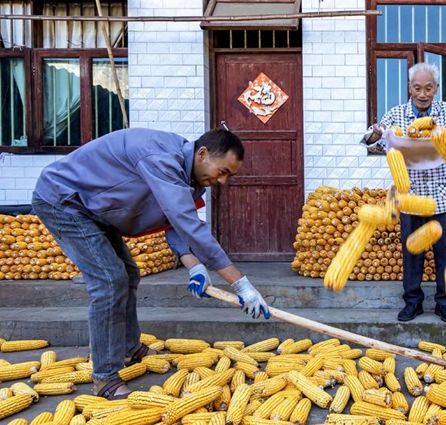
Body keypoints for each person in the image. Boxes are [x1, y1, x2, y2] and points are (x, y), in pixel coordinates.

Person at [32, 127, 270, 400]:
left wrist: (195, 267)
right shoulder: (160, 158)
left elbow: (174, 224)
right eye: (224, 171)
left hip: (95, 209)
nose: (223, 181)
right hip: (65, 200)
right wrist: (241, 284)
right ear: (203, 154)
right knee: (110, 280)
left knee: (129, 274)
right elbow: (189, 224)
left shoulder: (190, 179)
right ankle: (105, 378)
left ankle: (129, 348)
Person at [361, 62, 446, 324]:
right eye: (417, 88)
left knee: (444, 254)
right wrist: (375, 133)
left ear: (436, 88)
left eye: (428, 88)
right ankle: (413, 302)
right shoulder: (397, 113)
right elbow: (373, 139)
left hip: (441, 196)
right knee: (412, 253)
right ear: (409, 88)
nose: (422, 93)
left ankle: (444, 303)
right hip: (410, 198)